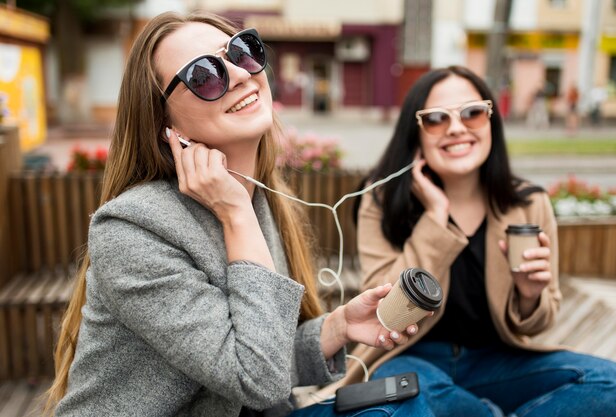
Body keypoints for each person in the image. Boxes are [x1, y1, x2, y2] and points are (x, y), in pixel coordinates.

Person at [44, 11, 422, 417]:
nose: (241, 75)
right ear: (163, 124)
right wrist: (236, 214)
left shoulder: (256, 198)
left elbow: (243, 357)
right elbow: (256, 378)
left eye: (242, 52)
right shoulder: (134, 230)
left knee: (424, 388)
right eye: (203, 75)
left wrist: (338, 327)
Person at [341, 66, 616, 416]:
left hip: (499, 362)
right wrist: (435, 217)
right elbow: (386, 315)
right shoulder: (383, 200)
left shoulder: (528, 203)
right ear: (415, 134)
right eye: (435, 118)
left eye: (472, 112)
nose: (457, 127)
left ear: (491, 121)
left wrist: (530, 295)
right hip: (411, 361)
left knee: (612, 383)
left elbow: (541, 321)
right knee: (405, 396)